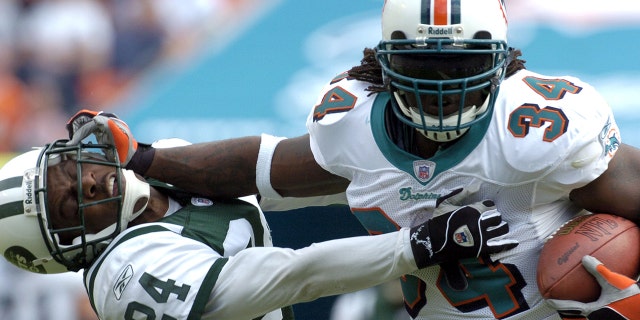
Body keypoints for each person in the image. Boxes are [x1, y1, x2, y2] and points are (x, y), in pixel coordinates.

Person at [65, 0, 640, 318]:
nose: (442, 83)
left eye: (460, 65)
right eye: (421, 67)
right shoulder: (355, 130)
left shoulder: (542, 130)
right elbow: (261, 168)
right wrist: (142, 157)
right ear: (384, 65)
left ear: (501, 64)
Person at [0, 137, 516, 319]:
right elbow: (291, 276)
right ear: (66, 248)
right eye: (68, 205)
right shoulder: (126, 273)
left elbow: (282, 177)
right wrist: (414, 245)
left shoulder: (159, 171)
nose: (86, 183)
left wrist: (416, 179)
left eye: (68, 171)